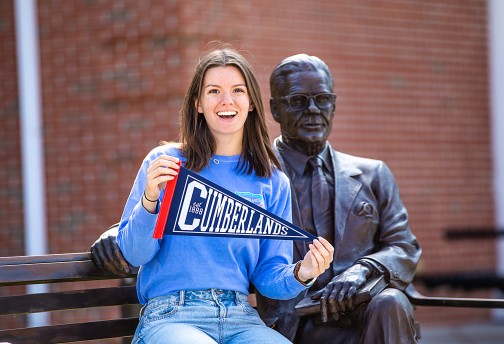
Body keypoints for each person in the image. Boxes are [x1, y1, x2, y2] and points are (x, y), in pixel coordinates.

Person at [92, 52, 422, 343]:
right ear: (198, 103)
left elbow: (268, 275)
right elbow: (134, 254)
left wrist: (302, 272)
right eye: (214, 91)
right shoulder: (166, 162)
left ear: (251, 103)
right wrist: (149, 200)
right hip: (172, 314)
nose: (226, 100)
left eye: (237, 90)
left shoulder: (271, 180)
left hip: (239, 317)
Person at [253, 53, 422, 344]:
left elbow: (404, 246)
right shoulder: (254, 177)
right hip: (292, 324)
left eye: (322, 99)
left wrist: (362, 269)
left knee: (390, 302)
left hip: (365, 315)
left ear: (334, 104)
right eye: (298, 100)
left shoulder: (373, 174)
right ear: (275, 109)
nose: (313, 109)